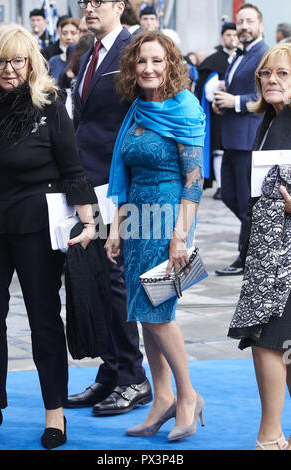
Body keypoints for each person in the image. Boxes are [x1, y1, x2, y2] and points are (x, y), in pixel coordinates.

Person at [0, 23, 98, 450]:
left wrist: (90, 223)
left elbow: (73, 169)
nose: (10, 69)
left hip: (38, 227)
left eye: (19, 60)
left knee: (43, 321)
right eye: (2, 61)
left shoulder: (50, 105)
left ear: (32, 62)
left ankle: (55, 411)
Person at [105, 31, 206, 442]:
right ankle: (161, 397)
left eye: (157, 61)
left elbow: (194, 182)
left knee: (158, 313)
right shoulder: (136, 110)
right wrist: (114, 229)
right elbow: (122, 172)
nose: (147, 68)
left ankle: (188, 397)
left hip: (168, 221)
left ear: (171, 65)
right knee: (144, 314)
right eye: (140, 61)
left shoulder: (185, 108)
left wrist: (180, 236)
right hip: (135, 222)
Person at [65, 0, 152, 415]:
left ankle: (134, 377)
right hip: (88, 182)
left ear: (121, 6)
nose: (88, 7)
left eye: (98, 1)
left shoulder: (136, 49)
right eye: (84, 2)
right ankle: (111, 370)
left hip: (121, 185)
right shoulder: (88, 52)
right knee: (98, 280)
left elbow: (148, 115)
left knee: (118, 282)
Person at [228, 43, 291, 451]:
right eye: (265, 74)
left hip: (284, 257)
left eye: (282, 74)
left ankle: (270, 438)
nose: (271, 79)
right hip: (268, 251)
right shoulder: (271, 119)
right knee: (279, 342)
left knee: (270, 339)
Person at [213, 3, 268, 276]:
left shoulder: (265, 53)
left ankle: (245, 258)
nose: (244, 26)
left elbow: (266, 95)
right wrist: (223, 100)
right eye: (240, 22)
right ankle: (256, 239)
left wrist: (234, 101)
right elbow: (238, 87)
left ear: (261, 26)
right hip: (231, 136)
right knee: (230, 196)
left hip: (248, 137)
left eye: (249, 21)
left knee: (246, 201)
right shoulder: (238, 53)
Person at [196, 22, 237, 200]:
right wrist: (217, 85)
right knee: (218, 148)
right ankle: (221, 185)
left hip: (238, 111)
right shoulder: (213, 61)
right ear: (222, 37)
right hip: (218, 112)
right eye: (228, 35)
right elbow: (205, 88)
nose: (232, 38)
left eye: (234, 35)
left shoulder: (242, 58)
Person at [49, 18, 80, 83]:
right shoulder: (53, 61)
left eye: (73, 33)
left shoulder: (87, 60)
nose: (68, 37)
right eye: (64, 33)